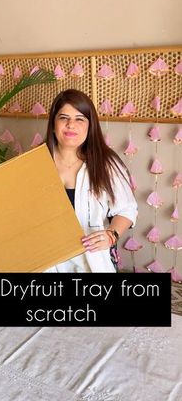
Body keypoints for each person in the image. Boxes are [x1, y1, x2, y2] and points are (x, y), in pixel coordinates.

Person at [45, 89, 138, 273]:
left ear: (90, 125)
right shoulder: (34, 162)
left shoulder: (107, 163)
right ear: (54, 124)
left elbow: (127, 209)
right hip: (44, 259)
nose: (71, 125)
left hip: (90, 261)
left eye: (79, 119)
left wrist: (111, 235)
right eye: (63, 117)